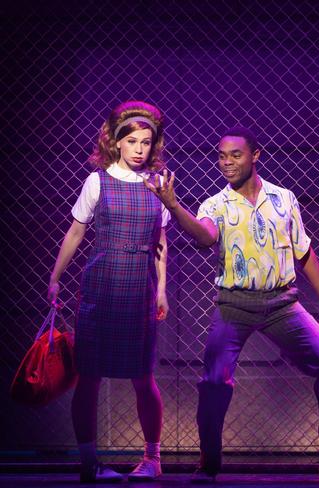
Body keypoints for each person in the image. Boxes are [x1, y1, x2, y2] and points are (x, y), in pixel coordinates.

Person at [143, 126, 319, 484]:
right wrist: (174, 205)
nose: (226, 162)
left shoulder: (284, 198)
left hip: (283, 303)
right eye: (221, 156)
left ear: (255, 155)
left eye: (234, 155)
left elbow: (304, 252)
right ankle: (209, 464)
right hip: (234, 304)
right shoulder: (216, 204)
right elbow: (206, 237)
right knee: (213, 382)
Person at [48, 101, 170, 482]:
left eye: (146, 142)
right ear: (115, 142)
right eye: (131, 140)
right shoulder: (97, 181)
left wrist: (162, 289)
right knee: (89, 375)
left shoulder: (158, 182)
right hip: (102, 284)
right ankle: (89, 462)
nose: (139, 148)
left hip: (139, 286)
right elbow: (76, 231)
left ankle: (152, 458)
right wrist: (55, 277)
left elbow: (161, 241)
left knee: (143, 376)